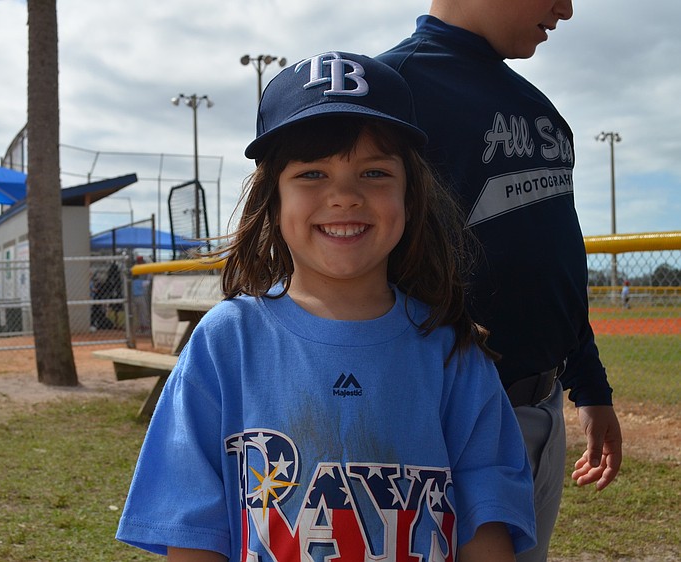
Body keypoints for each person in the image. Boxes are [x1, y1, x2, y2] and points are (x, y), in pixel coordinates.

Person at [116, 51, 536, 562]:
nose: (344, 196)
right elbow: (193, 529)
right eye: (312, 174)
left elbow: (485, 524)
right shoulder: (227, 340)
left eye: (375, 173)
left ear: (411, 195)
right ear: (273, 200)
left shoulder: (450, 349)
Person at [376, 3, 623, 561]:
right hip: (438, 422)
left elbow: (551, 265)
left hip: (542, 406)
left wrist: (589, 386)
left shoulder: (540, 110)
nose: (566, 8)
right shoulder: (393, 94)